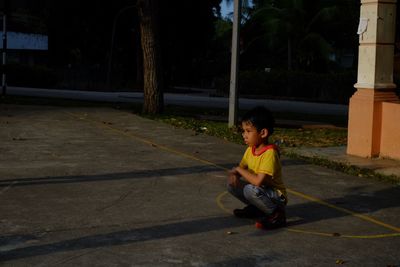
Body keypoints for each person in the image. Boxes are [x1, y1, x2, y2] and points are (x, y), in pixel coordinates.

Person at [227, 106, 287, 229]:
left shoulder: (270, 153)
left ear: (263, 133)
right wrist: (234, 174)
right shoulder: (250, 149)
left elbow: (258, 181)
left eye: (248, 131)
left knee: (251, 189)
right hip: (262, 192)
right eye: (243, 131)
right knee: (231, 185)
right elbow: (241, 168)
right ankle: (258, 209)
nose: (244, 135)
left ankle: (277, 215)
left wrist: (238, 170)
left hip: (276, 197)